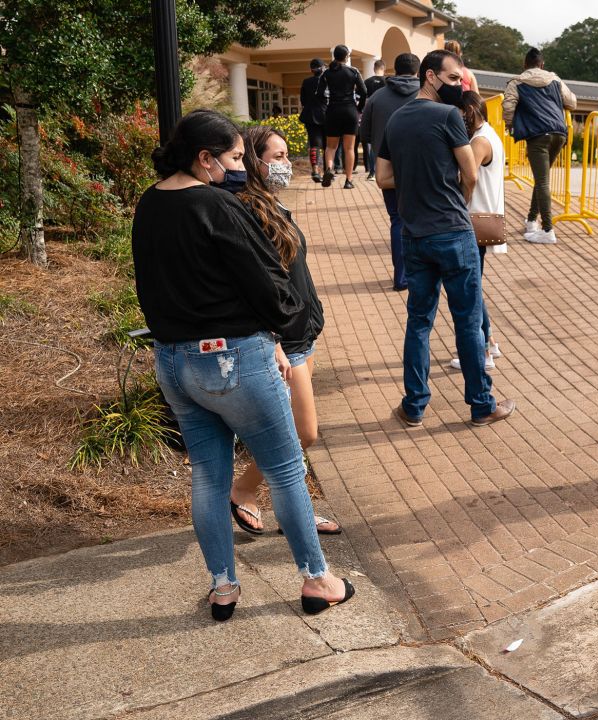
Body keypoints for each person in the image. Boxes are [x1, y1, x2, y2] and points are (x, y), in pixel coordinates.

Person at [133, 109, 354, 621]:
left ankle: (223, 587)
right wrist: (283, 323)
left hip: (174, 361)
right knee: (286, 469)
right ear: (204, 158)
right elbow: (271, 288)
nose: (240, 167)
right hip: (235, 358)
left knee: (209, 477)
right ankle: (318, 579)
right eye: (234, 157)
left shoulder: (149, 204)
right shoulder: (215, 205)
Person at [377, 49, 517, 428]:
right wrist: (457, 199)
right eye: (453, 79)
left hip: (414, 234)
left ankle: (414, 405)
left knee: (419, 321)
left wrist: (417, 183)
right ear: (430, 76)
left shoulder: (396, 120)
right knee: (467, 321)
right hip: (453, 233)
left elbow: (382, 177)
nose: (459, 86)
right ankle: (481, 404)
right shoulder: (449, 117)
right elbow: (469, 174)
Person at [226, 124, 340, 537]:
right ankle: (242, 488)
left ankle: (298, 509)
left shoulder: (273, 204)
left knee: (293, 433)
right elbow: (256, 284)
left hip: (300, 334)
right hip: (282, 340)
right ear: (253, 161)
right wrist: (273, 336)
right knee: (303, 432)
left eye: (286, 155)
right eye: (275, 157)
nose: (285, 164)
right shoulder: (248, 210)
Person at [449, 91, 505, 372]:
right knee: (474, 288)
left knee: (470, 290)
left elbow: (468, 178)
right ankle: (490, 342)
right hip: (484, 218)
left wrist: (460, 201)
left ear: (469, 110)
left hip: (473, 219)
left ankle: (482, 352)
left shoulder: (480, 141)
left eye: (459, 113)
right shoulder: (489, 134)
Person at [359, 52, 421, 292]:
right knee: (422, 218)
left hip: (388, 165)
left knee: (397, 219)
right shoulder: (427, 94)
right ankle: (423, 273)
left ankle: (401, 277)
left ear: (394, 69)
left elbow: (364, 134)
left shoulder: (377, 97)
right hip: (421, 166)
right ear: (418, 71)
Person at [503, 47, 577, 245]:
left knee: (542, 181)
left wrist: (510, 125)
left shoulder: (517, 82)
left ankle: (547, 229)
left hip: (537, 135)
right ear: (542, 64)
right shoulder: (555, 80)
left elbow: (508, 106)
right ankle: (530, 221)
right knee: (541, 178)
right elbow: (573, 102)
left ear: (524, 65)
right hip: (559, 134)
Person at [318, 44, 363, 189]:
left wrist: (327, 107)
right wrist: (359, 108)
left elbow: (319, 94)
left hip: (333, 111)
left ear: (334, 56)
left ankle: (329, 168)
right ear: (347, 57)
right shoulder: (354, 71)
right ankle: (348, 181)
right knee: (349, 148)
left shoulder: (326, 73)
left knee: (331, 147)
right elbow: (364, 91)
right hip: (350, 110)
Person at [300, 58, 328, 183]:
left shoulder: (306, 82)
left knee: (315, 145)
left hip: (310, 117)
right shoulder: (327, 82)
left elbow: (303, 101)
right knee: (328, 146)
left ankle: (315, 171)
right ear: (322, 68)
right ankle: (328, 170)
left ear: (311, 69)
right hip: (326, 116)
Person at [361, 58, 387, 181]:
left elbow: (361, 98)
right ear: (384, 68)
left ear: (374, 68)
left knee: (372, 143)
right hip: (385, 113)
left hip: (371, 113)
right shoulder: (388, 81)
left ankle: (372, 172)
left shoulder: (366, 82)